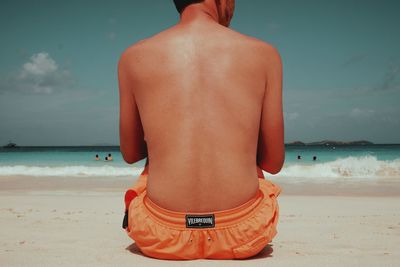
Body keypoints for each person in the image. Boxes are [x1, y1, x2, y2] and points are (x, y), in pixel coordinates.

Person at [119, 0, 284, 260]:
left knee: (150, 172)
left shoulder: (132, 56)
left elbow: (130, 154)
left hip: (160, 235)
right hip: (246, 231)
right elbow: (273, 162)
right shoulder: (265, 54)